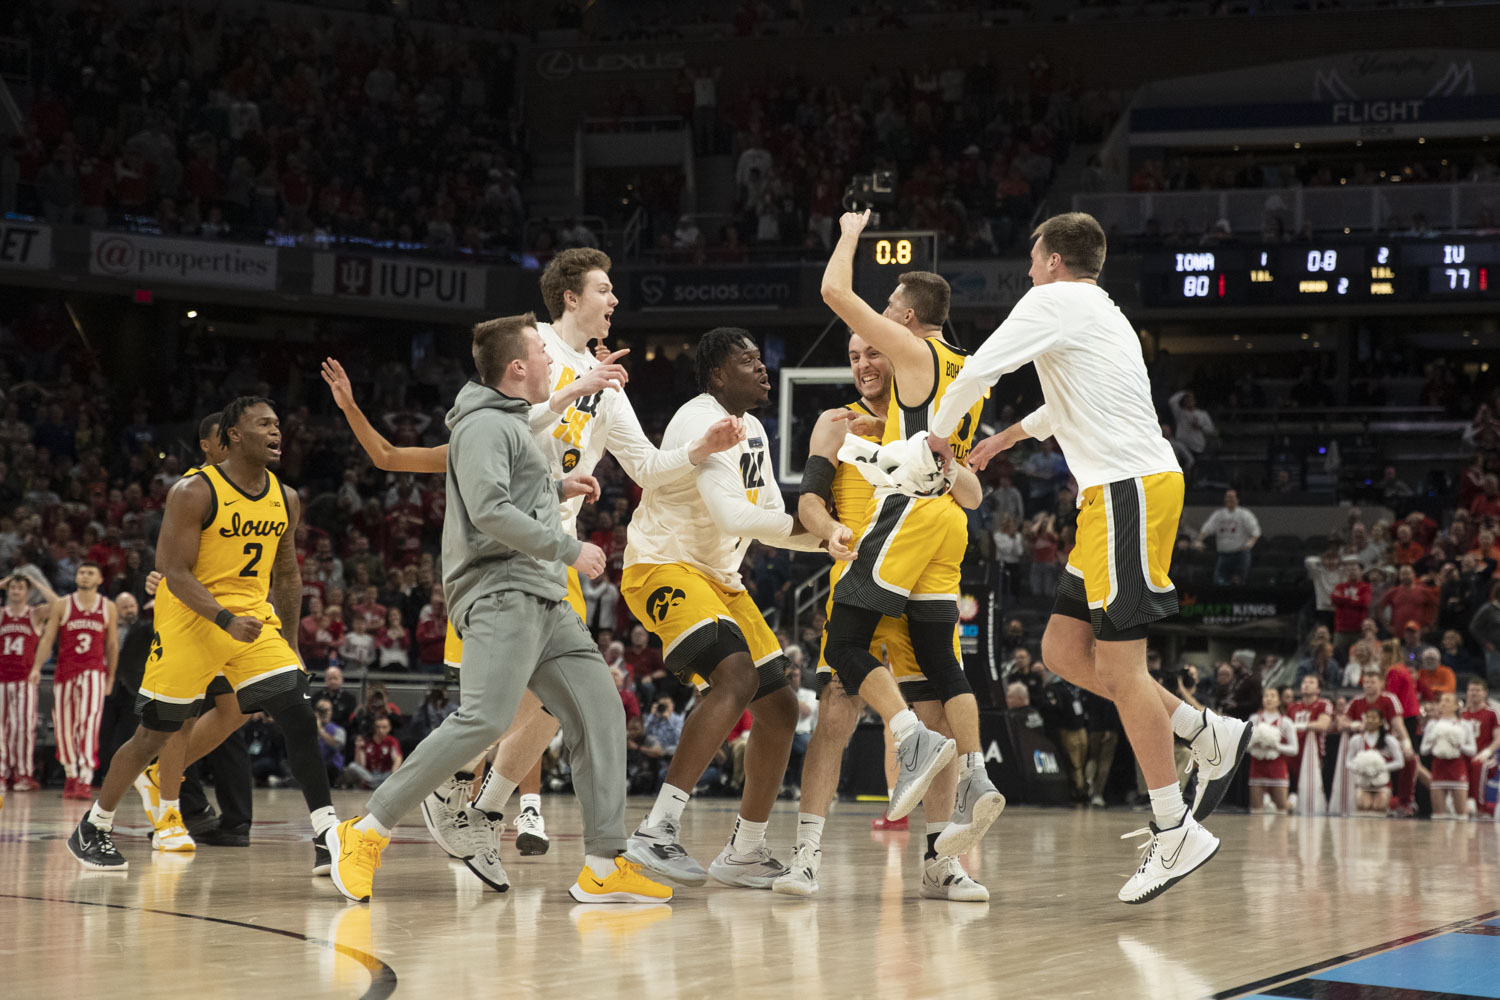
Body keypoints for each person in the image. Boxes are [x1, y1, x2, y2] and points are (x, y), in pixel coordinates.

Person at [323, 248, 741, 878]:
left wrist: (698, 448)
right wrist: (576, 390)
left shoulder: (597, 377)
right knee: (489, 714)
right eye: (605, 288)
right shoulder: (526, 354)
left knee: (583, 707)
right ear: (570, 298)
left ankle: (561, 845)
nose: (616, 301)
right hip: (501, 565)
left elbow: (647, 468)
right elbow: (498, 427)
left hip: (550, 562)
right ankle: (414, 809)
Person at [928, 211, 1245, 904]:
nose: (1028, 270)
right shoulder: (1101, 312)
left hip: (1129, 489)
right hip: (1114, 496)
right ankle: (1200, 728)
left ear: (1051, 260)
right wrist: (1004, 438)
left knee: (1123, 668)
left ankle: (1174, 828)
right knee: (1064, 650)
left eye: (1032, 258)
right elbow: (1061, 405)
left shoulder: (1054, 300)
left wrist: (935, 435)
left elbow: (982, 366)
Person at [66, 396, 339, 874]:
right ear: (233, 434)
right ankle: (95, 825)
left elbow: (289, 575)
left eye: (278, 424)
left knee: (296, 713)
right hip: (191, 623)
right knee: (154, 734)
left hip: (253, 622)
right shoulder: (193, 491)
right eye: (264, 424)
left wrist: (291, 642)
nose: (277, 432)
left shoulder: (287, 497)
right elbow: (172, 569)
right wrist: (223, 618)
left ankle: (327, 836)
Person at [774, 327, 988, 900]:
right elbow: (810, 501)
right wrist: (830, 531)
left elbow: (970, 493)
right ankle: (806, 855)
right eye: (853, 356)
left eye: (872, 352)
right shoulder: (835, 420)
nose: (863, 363)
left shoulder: (933, 417)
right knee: (837, 712)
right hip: (861, 568)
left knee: (936, 715)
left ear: (897, 352)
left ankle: (940, 861)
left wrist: (945, 462)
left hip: (920, 576)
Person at [818, 210, 1006, 863]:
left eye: (891, 305)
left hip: (909, 512)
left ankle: (910, 737)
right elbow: (964, 472)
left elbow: (836, 296)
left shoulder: (913, 349)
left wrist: (848, 232)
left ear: (905, 316)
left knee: (843, 646)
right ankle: (948, 841)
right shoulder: (971, 365)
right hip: (948, 522)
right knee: (938, 663)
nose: (885, 313)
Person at [619, 327, 833, 890]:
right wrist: (828, 531)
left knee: (781, 707)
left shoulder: (755, 429)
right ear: (718, 375)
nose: (763, 368)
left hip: (720, 579)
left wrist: (833, 537)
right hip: (663, 564)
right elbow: (735, 518)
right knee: (734, 676)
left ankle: (746, 850)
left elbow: (774, 520)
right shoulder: (699, 419)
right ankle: (656, 829)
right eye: (749, 361)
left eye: (762, 358)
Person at [34, 561, 118, 799]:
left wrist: (110, 676)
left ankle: (85, 777)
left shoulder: (107, 606)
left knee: (88, 723)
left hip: (93, 672)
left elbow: (112, 645)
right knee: (63, 726)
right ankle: (71, 773)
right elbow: (48, 639)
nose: (85, 575)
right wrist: (36, 668)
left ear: (100, 580)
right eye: (82, 572)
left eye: (91, 572)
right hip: (65, 672)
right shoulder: (62, 604)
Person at [1, 568, 55, 791]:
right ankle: (3, 773)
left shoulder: (34, 614)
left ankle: (23, 773)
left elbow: (58, 604)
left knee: (23, 728)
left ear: (27, 591)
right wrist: (3, 582)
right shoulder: (2, 613)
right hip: (1, 679)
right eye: (12, 587)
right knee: (1, 729)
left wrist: (35, 581)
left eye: (20, 587)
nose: (15, 590)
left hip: (24, 679)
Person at [1421, 691, 1476, 818]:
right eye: (1441, 701)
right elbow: (1424, 750)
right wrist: (1434, 741)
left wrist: (1458, 745)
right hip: (1439, 769)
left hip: (1457, 769)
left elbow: (1472, 750)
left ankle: (1461, 837)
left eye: (1447, 701)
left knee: (1461, 814)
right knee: (1439, 815)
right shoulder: (1432, 725)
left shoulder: (1464, 725)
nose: (1443, 704)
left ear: (1456, 705)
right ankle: (1439, 837)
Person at [1192, 490, 1260, 586]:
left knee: (1239, 583)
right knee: (1218, 581)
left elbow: (1255, 531)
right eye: (1227, 497)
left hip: (1240, 555)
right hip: (1223, 555)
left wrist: (1251, 542)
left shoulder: (1244, 514)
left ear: (1237, 500)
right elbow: (1207, 528)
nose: (1229, 499)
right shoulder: (1219, 514)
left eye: (1231, 497)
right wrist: (1198, 540)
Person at [1246, 689, 1298, 813]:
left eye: (1272, 696)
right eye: (1266, 696)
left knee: (1282, 808)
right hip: (1257, 768)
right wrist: (1255, 744)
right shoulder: (1254, 719)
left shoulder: (1286, 722)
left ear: (1279, 701)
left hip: (1277, 769)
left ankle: (1291, 802)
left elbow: (1294, 749)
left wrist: (1276, 747)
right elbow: (1244, 746)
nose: (1268, 699)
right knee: (1256, 811)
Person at [1286, 673, 1334, 800]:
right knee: (1292, 788)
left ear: (1318, 689)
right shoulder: (1292, 706)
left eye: (1311, 682)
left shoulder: (1324, 704)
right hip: (1293, 754)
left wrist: (1298, 726)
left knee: (1311, 788)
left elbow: (1323, 724)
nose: (1306, 684)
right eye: (1304, 682)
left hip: (1314, 754)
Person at [1347, 709, 1404, 814]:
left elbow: (1400, 762)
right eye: (1368, 717)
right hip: (1363, 783)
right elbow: (1348, 761)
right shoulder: (1357, 740)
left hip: (1382, 784)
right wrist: (1360, 768)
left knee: (1379, 807)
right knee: (1363, 805)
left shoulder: (1389, 740)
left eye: (1373, 718)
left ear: (1381, 721)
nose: (1370, 720)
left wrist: (1381, 768)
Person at [1461, 677, 1499, 816]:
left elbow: (1498, 738)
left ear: (1485, 693)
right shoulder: (1462, 714)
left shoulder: (1491, 713)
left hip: (1487, 757)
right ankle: (1457, 804)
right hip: (1465, 755)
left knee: (1479, 764)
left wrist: (1487, 752)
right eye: (1471, 690)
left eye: (1477, 690)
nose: (1474, 693)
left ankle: (1479, 806)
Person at [343, 714, 403, 789]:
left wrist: (393, 775)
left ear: (389, 728)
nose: (381, 730)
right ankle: (376, 784)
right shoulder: (367, 741)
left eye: (384, 727)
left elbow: (397, 758)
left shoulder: (392, 741)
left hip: (385, 776)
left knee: (400, 771)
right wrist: (358, 748)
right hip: (369, 775)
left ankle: (374, 784)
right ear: (374, 727)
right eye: (378, 727)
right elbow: (361, 764)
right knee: (352, 766)